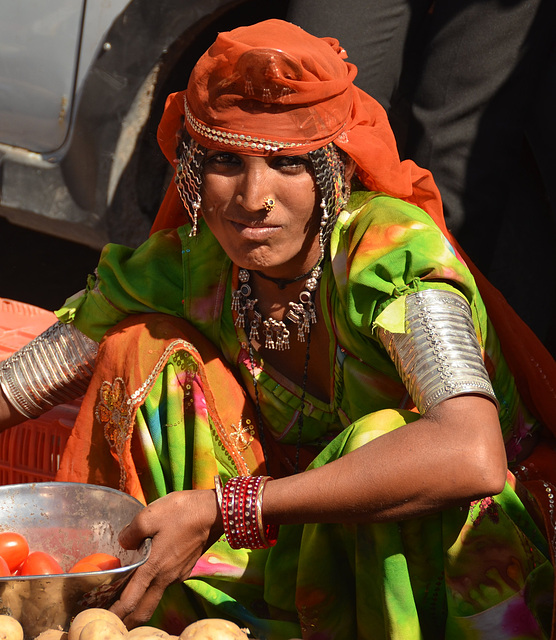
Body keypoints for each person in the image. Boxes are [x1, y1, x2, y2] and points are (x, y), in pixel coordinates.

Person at [1, 19, 556, 640]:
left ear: (335, 173)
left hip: (452, 558)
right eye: (224, 162)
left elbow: (470, 456)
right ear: (190, 173)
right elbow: (29, 378)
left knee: (382, 436)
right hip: (284, 533)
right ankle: (163, 610)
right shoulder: (194, 262)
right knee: (142, 348)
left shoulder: (389, 253)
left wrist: (228, 507)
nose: (253, 197)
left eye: (289, 164)